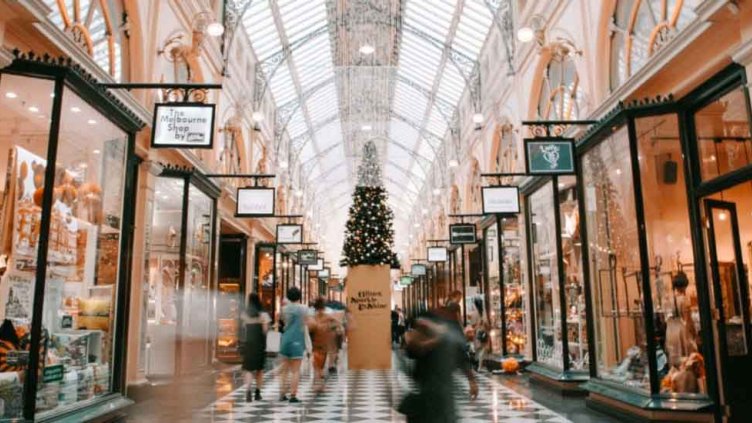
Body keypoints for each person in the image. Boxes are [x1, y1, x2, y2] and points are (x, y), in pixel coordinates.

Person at [399, 311, 478, 423]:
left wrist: (472, 380)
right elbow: (415, 348)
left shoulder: (446, 338)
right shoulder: (430, 339)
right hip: (429, 395)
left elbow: (461, 358)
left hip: (441, 395)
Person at [278, 287, 308, 404]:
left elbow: (282, 322)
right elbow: (306, 323)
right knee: (295, 371)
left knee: (284, 369)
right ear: (299, 296)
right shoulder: (304, 309)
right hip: (297, 340)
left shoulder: (283, 309)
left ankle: (282, 394)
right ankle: (293, 395)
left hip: (285, 340)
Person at [240, 293, 270, 402]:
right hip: (260, 344)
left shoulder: (244, 314)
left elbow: (243, 329)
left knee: (248, 369)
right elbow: (265, 331)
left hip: (248, 344)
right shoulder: (263, 315)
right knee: (259, 370)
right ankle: (257, 392)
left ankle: (248, 390)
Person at [308, 297, 341, 392]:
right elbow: (338, 323)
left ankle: (317, 384)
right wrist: (331, 329)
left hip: (316, 343)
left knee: (317, 364)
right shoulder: (327, 316)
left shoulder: (313, 317)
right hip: (323, 343)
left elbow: (309, 328)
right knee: (320, 365)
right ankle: (320, 385)